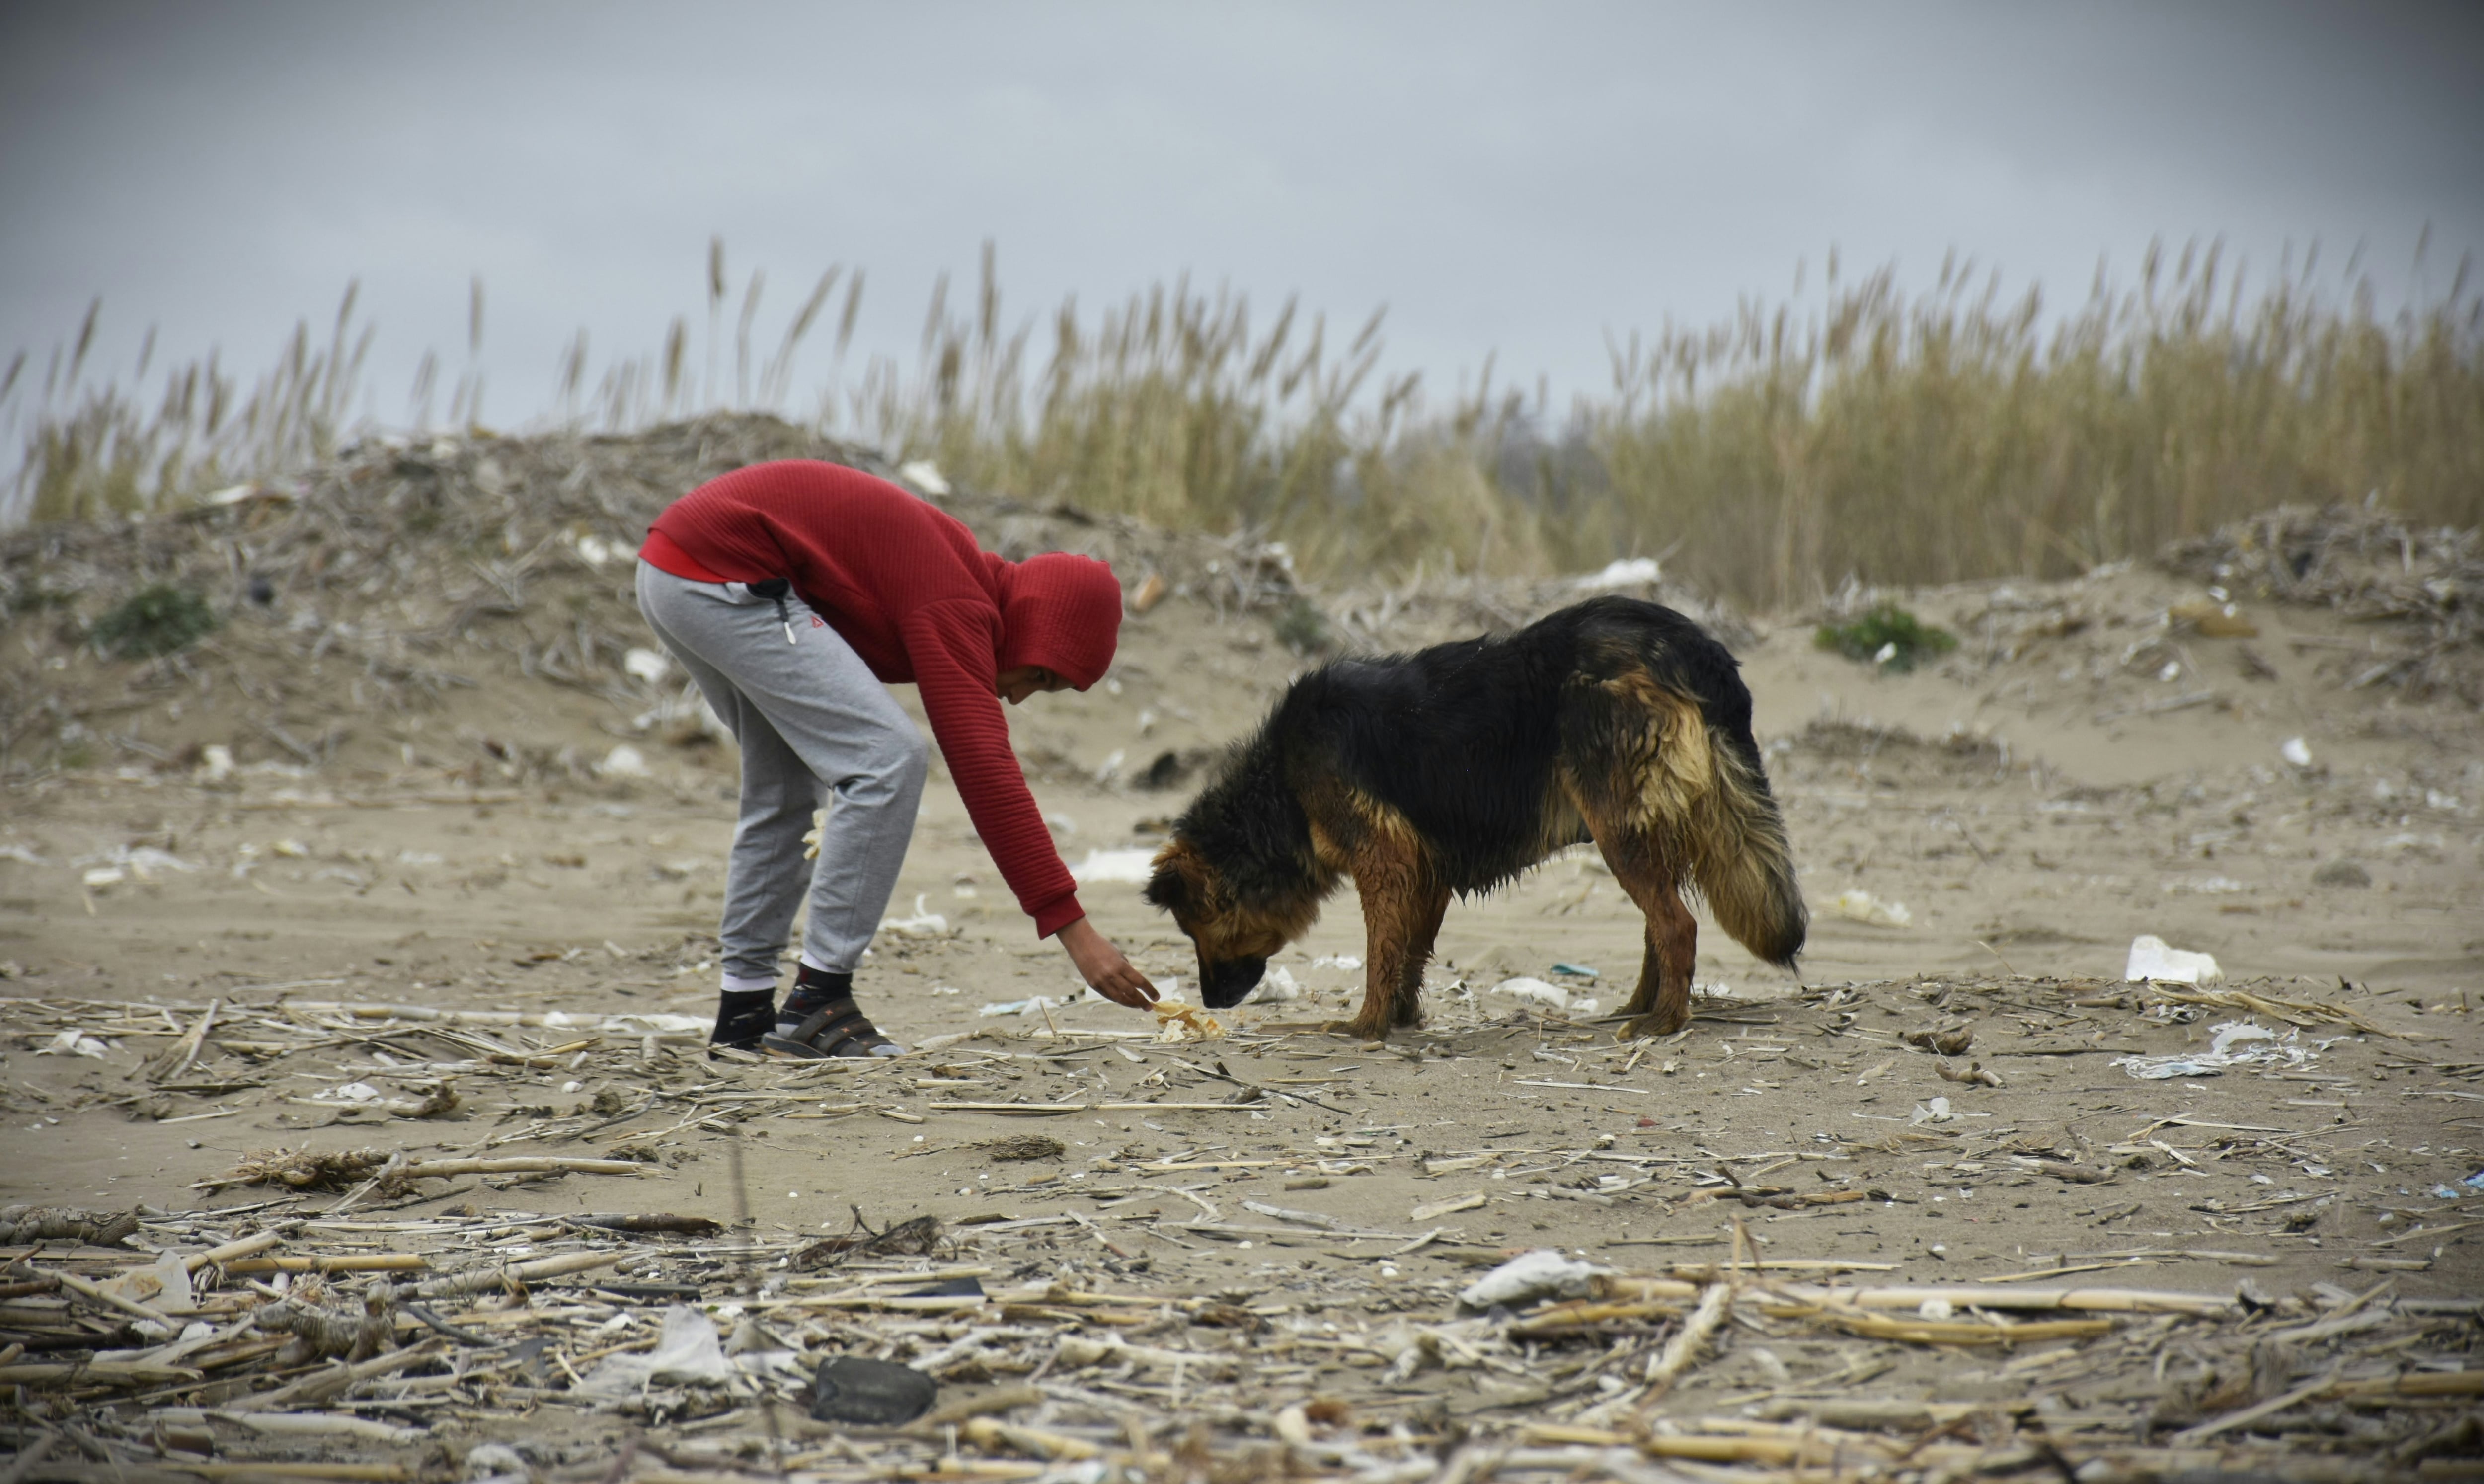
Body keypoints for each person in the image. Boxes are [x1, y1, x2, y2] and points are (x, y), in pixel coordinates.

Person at [634, 459, 1159, 1058]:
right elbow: (985, 770)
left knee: (785, 791)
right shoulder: (959, 599)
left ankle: (744, 1012)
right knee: (886, 759)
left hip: (678, 571)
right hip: (724, 572)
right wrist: (1074, 930)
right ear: (1032, 621)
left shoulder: (956, 577)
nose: (1019, 695)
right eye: (1039, 673)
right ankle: (819, 1001)